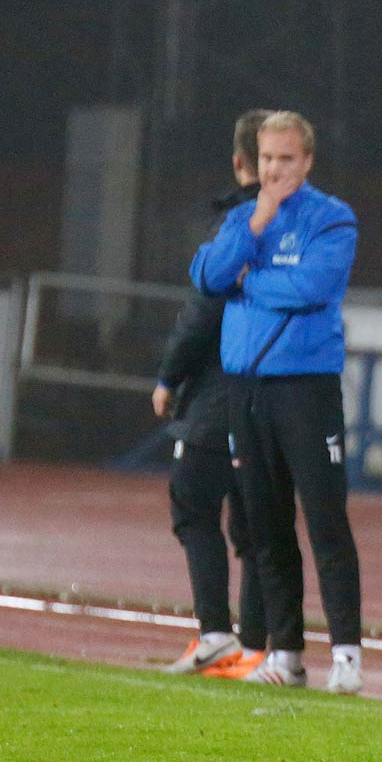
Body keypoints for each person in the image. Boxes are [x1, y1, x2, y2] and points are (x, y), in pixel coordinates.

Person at [189, 111, 364, 694]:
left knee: (325, 523)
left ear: (307, 161)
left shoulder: (332, 219)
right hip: (247, 392)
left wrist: (249, 282)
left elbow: (311, 288)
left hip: (305, 390)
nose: (274, 169)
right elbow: (209, 275)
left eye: (285, 159)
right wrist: (257, 222)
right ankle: (285, 654)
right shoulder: (244, 218)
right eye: (266, 159)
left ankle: (346, 656)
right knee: (266, 529)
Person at [158, 109, 272, 678]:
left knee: (193, 504)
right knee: (256, 525)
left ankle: (215, 635)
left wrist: (168, 377)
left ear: (237, 161)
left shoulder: (237, 225)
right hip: (281, 398)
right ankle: (257, 649)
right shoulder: (308, 226)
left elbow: (202, 313)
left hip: (222, 396)